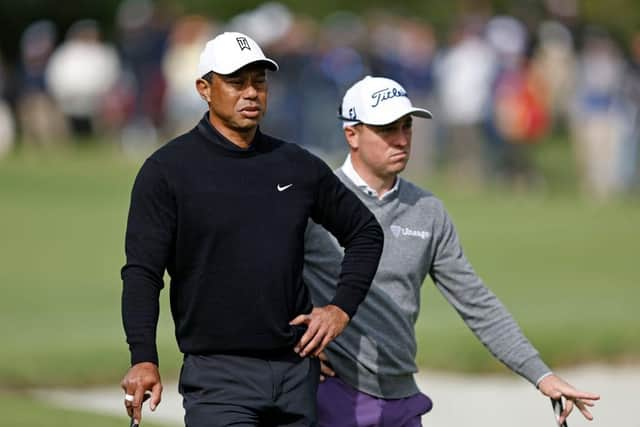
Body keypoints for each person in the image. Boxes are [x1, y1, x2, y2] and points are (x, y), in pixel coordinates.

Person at [303, 76, 600, 427]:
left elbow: (474, 300)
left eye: (406, 127)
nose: (401, 140)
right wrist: (291, 348)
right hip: (334, 394)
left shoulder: (427, 209)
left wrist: (541, 375)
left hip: (402, 397)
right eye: (387, 129)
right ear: (351, 133)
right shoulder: (315, 200)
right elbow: (263, 278)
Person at [119, 32, 384, 427]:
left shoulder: (296, 165)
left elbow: (365, 232)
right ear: (205, 89)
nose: (251, 93)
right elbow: (142, 272)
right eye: (236, 82)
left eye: (259, 82)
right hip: (217, 378)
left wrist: (339, 309)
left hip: (296, 374)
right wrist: (143, 356)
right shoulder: (167, 171)